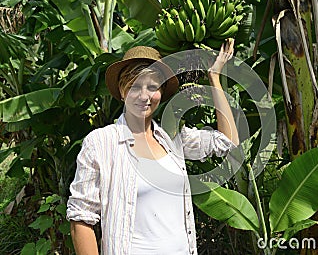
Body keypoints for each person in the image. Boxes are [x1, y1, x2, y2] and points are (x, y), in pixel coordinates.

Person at [66, 39, 239, 255]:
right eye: (134, 87)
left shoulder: (173, 138)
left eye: (152, 87)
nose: (144, 96)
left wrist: (214, 76)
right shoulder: (101, 143)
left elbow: (227, 142)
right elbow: (81, 219)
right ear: (121, 91)